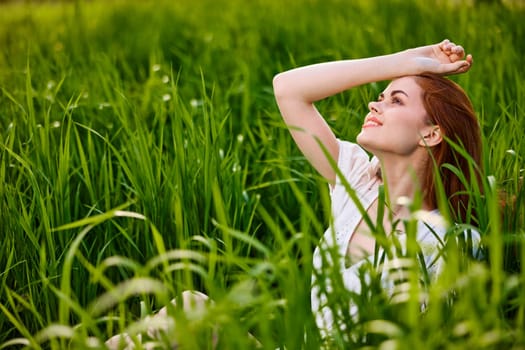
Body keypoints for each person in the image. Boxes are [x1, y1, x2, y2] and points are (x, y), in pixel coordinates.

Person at [272, 40, 483, 338]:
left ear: (432, 133)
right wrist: (407, 60)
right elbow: (287, 88)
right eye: (380, 96)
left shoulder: (449, 241)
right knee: (190, 303)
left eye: (396, 101)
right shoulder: (358, 183)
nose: (374, 104)